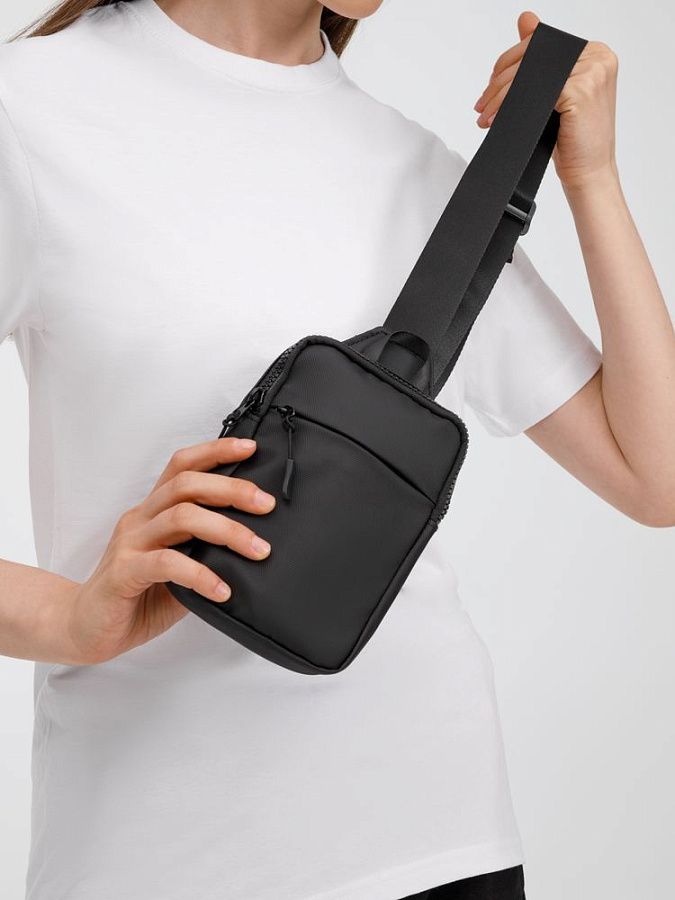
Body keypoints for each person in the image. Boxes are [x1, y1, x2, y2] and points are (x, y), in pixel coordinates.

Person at [0, 1, 673, 898]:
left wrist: (593, 179)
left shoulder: (423, 177)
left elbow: (653, 475)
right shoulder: (31, 109)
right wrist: (68, 619)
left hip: (440, 846)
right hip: (156, 861)